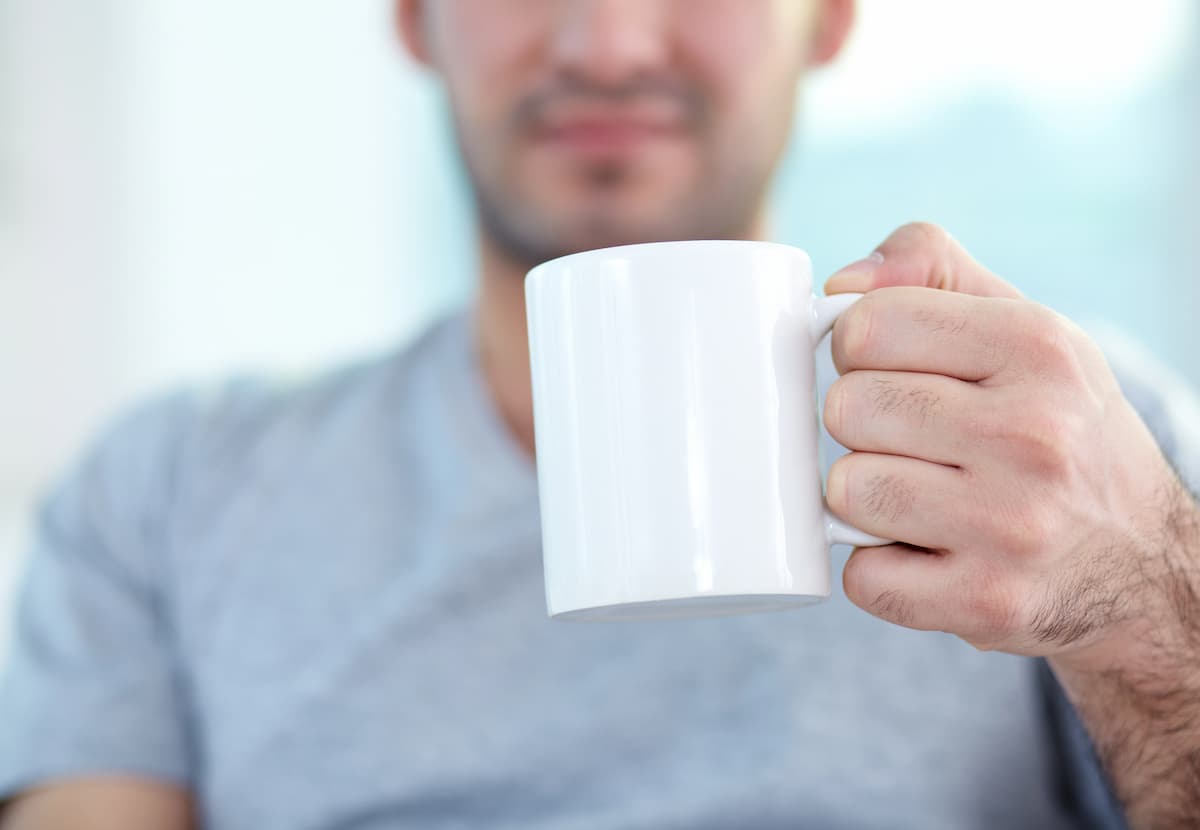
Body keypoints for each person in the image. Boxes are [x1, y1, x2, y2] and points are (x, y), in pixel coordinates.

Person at [2, 1, 1199, 827]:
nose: (612, 43)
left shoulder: (1077, 452)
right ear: (417, 18)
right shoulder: (169, 488)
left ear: (825, 19)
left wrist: (1143, 604)